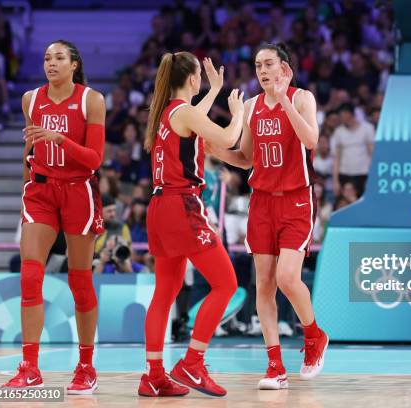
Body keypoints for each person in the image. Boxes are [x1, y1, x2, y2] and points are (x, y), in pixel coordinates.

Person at [207, 43, 328, 390]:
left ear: (284, 68)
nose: (262, 70)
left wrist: (284, 99)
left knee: (289, 277)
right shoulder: (250, 106)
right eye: (258, 64)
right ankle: (274, 363)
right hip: (261, 202)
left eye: (269, 63)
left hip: (297, 200)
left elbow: (311, 139)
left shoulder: (302, 98)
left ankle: (313, 336)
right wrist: (215, 149)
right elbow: (246, 159)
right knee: (264, 284)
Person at [3, 40, 105, 395]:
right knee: (30, 276)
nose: (51, 63)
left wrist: (61, 139)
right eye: (47, 58)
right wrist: (24, 191)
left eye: (59, 58)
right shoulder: (30, 98)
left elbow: (94, 159)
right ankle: (30, 367)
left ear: (74, 64)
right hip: (41, 191)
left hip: (78, 191)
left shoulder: (91, 100)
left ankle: (86, 366)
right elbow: (28, 149)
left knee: (80, 282)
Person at [138, 52, 243, 398]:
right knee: (226, 283)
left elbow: (194, 119)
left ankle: (153, 375)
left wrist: (213, 91)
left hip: (159, 206)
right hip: (182, 205)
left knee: (165, 292)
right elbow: (227, 139)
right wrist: (238, 112)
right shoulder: (184, 113)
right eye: (201, 77)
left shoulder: (168, 112)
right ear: (192, 79)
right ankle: (192, 363)